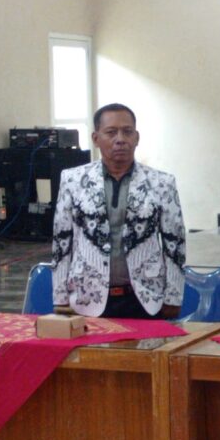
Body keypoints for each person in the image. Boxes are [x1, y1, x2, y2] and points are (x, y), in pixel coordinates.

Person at [52, 103, 186, 319]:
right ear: (96, 138)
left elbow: (175, 244)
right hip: (87, 298)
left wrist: (173, 296)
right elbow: (61, 241)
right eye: (111, 132)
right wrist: (59, 297)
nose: (120, 139)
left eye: (127, 131)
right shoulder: (72, 180)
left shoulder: (162, 183)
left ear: (137, 138)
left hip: (146, 299)